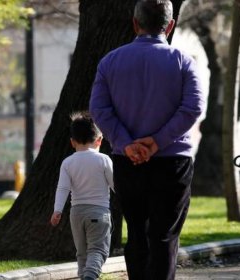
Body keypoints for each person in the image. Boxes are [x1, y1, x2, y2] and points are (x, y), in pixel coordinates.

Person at [89, 0, 206, 279]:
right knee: (164, 236)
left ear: (135, 23)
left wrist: (127, 142)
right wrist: (157, 142)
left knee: (137, 233)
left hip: (127, 160)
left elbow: (99, 108)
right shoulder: (183, 62)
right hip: (173, 161)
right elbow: (193, 108)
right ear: (170, 25)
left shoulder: (110, 61)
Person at [50, 112, 114, 280]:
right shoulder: (104, 160)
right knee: (98, 250)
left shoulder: (68, 163)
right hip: (99, 213)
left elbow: (63, 188)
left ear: (72, 142)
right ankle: (89, 277)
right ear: (99, 140)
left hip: (76, 213)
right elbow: (116, 186)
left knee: (82, 253)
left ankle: (83, 275)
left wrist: (57, 210)